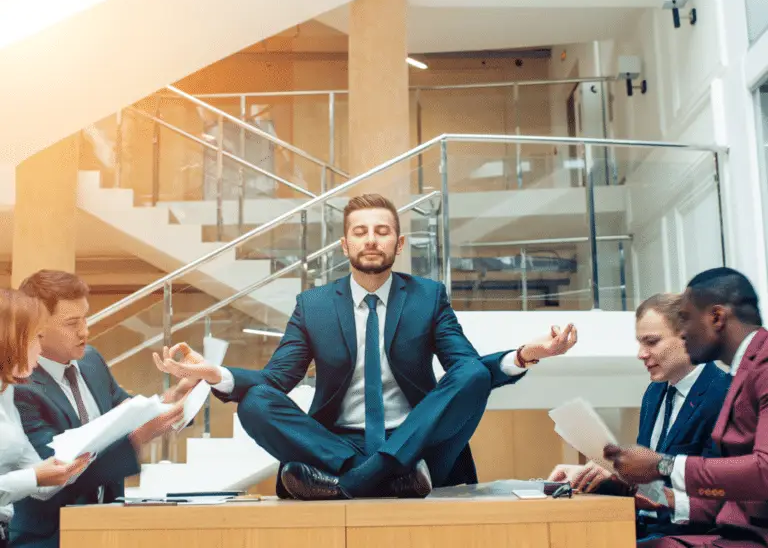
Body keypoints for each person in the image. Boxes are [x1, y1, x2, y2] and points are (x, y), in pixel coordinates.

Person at [155, 193, 578, 501]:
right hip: (336, 444)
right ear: (345, 245)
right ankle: (374, 474)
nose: (371, 239)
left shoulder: (428, 297)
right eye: (360, 232)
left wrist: (523, 356)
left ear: (399, 243)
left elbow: (466, 369)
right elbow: (275, 381)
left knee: (468, 375)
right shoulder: (313, 306)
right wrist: (217, 376)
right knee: (254, 402)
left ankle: (355, 482)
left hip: (417, 444)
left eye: (382, 231)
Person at [10, 270, 185, 548]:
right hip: (51, 537)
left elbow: (126, 410)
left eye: (86, 318)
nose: (85, 331)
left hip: (109, 528)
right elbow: (55, 473)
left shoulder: (91, 362)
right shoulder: (19, 388)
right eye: (72, 323)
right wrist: (138, 437)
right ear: (37, 327)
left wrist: (174, 398)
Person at [604, 267, 768, 548]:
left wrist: (663, 466)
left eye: (686, 321)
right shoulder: (744, 370)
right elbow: (728, 497)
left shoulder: (761, 366)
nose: (683, 334)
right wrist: (655, 495)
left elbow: (764, 472)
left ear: (716, 317)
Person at [549, 293, 730, 540]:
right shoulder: (654, 393)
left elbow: (722, 504)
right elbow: (645, 479)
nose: (641, 354)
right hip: (642, 529)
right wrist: (601, 474)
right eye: (640, 343)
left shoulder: (725, 396)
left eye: (651, 342)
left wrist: (649, 493)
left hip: (691, 536)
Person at [0, 289, 91, 548]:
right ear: (10, 338)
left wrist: (68, 469)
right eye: (37, 337)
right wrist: (36, 477)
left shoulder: (7, 395)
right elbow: (33, 477)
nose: (40, 349)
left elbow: (37, 479)